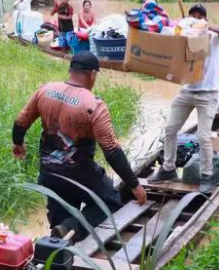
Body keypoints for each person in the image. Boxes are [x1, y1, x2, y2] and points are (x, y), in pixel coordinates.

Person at [12, 51, 147, 239]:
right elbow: (111, 150)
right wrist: (134, 184)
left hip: (49, 171)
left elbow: (21, 120)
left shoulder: (46, 90)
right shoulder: (93, 105)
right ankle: (72, 227)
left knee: (59, 218)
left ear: (71, 70)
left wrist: (18, 143)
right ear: (92, 74)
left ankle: (59, 240)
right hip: (79, 173)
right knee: (110, 201)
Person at [147, 4, 219, 195]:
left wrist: (207, 26)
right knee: (170, 129)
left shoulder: (213, 37)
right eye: (192, 17)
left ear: (205, 18)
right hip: (187, 92)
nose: (195, 20)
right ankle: (168, 169)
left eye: (199, 17)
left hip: (208, 94)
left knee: (204, 136)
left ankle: (206, 176)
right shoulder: (184, 38)